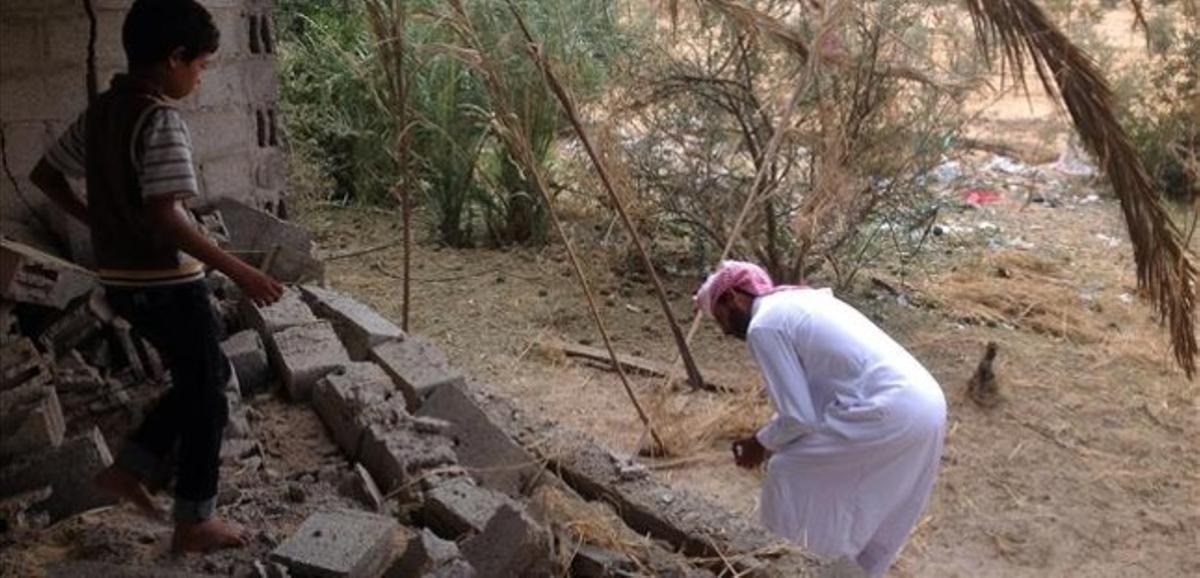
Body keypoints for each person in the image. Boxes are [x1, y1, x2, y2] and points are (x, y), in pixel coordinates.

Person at [30, 0, 284, 553]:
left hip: (121, 280)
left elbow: (45, 175)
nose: (199, 77)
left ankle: (133, 467)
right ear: (175, 58)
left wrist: (98, 219)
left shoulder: (102, 113)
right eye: (201, 66)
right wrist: (239, 270)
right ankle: (195, 520)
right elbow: (166, 214)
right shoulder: (160, 118)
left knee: (204, 376)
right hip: (167, 282)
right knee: (209, 392)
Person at [694, 261, 946, 577]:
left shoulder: (764, 325)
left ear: (733, 297)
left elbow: (799, 417)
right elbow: (815, 400)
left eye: (721, 320)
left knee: (788, 470)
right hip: (927, 404)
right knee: (871, 492)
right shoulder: (801, 303)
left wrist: (760, 443)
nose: (726, 332)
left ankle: (782, 564)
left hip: (888, 408)